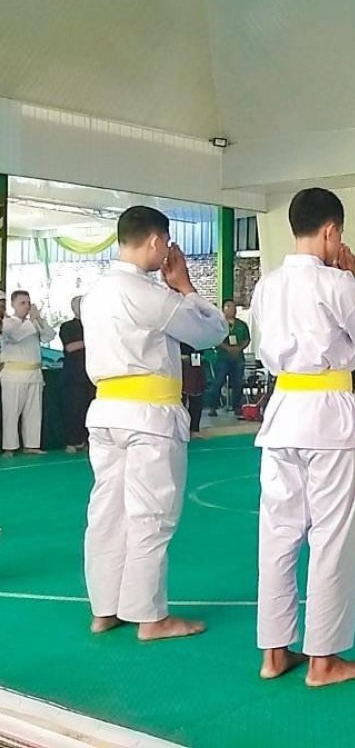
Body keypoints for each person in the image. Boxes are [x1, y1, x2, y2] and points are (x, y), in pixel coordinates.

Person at [251, 188, 355, 687]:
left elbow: (259, 347)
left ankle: (274, 654)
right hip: (327, 416)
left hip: (283, 411)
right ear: (332, 232)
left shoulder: (266, 287)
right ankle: (323, 659)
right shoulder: (337, 284)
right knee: (332, 535)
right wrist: (354, 279)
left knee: (278, 533)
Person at [82, 205, 227, 640]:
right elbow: (212, 332)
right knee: (151, 515)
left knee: (107, 513)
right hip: (148, 418)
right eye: (164, 243)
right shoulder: (144, 293)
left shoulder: (96, 293)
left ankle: (105, 609)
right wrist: (185, 287)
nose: (166, 251)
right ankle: (150, 616)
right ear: (153, 241)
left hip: (106, 413)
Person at [2, 290, 56, 456]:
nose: (26, 306)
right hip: (13, 374)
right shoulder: (8, 323)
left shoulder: (33, 322)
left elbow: (49, 336)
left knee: (34, 411)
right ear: (13, 305)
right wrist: (33, 322)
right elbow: (17, 336)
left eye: (28, 303)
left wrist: (39, 319)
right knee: (11, 412)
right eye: (22, 303)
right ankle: (9, 447)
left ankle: (32, 444)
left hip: (34, 373)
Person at [59, 295, 96, 453]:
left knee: (91, 408)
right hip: (74, 376)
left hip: (92, 374)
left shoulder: (94, 325)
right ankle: (73, 440)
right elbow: (70, 347)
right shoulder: (67, 326)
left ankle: (89, 440)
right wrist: (90, 340)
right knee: (75, 408)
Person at [206, 299, 250, 417]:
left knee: (238, 383)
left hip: (238, 358)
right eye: (229, 307)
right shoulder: (218, 324)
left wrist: (239, 348)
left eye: (234, 307)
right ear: (223, 309)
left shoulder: (241, 325)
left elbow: (247, 339)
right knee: (218, 382)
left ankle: (237, 407)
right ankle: (213, 407)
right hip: (222, 358)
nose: (233, 309)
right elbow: (214, 339)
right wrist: (227, 348)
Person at [180, 343, 206, 438]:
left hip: (196, 359)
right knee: (180, 399)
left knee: (196, 396)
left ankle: (194, 429)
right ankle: (180, 429)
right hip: (179, 359)